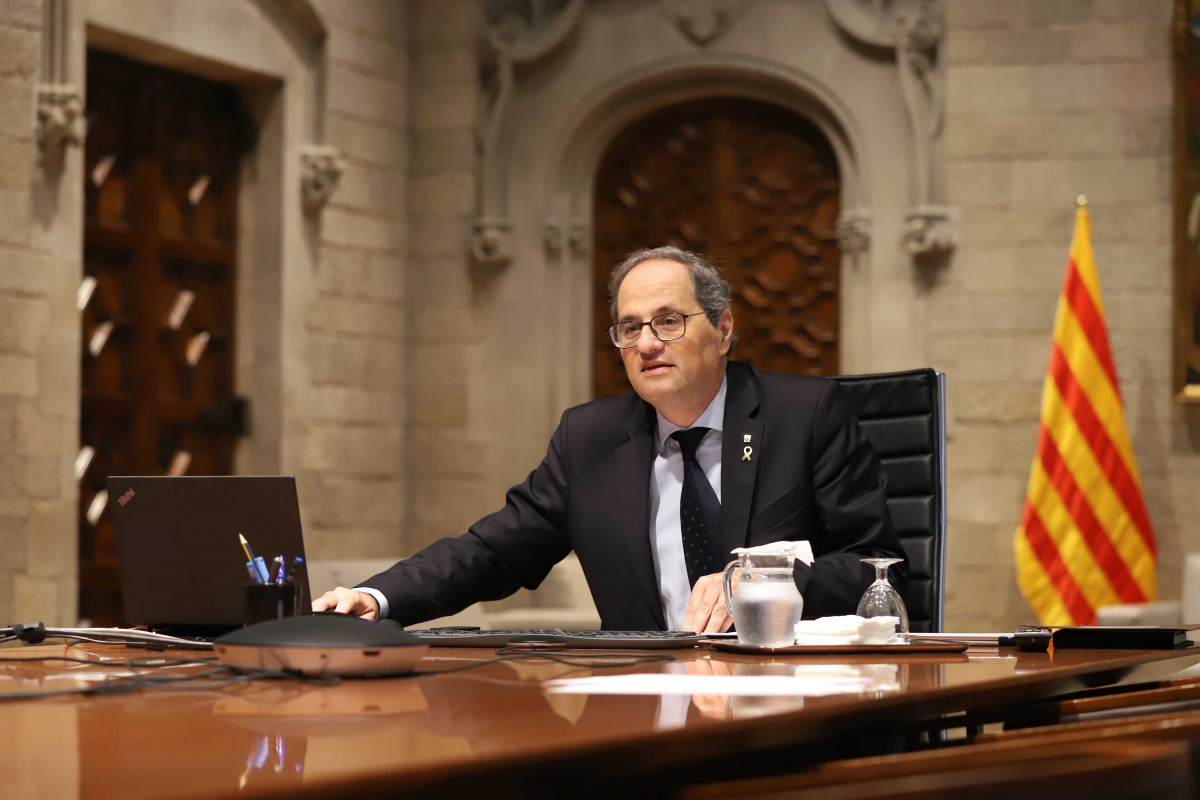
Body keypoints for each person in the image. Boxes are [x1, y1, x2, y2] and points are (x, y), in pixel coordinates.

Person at [313, 246, 905, 632]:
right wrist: (376, 599)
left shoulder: (805, 415)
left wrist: (762, 584)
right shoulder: (590, 438)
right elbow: (492, 552)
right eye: (629, 328)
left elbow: (873, 569)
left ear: (723, 330)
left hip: (788, 698)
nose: (647, 343)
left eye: (669, 321)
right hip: (644, 702)